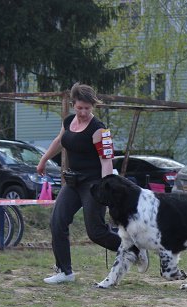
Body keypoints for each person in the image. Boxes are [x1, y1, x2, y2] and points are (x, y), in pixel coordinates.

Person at [36, 83, 146, 284]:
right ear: (73, 105)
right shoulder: (68, 121)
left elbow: (106, 161)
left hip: (94, 185)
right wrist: (43, 160)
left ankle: (134, 248)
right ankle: (64, 271)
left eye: (88, 108)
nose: (84, 112)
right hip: (73, 182)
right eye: (80, 108)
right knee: (57, 222)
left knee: (96, 232)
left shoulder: (100, 130)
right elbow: (60, 141)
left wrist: (107, 190)